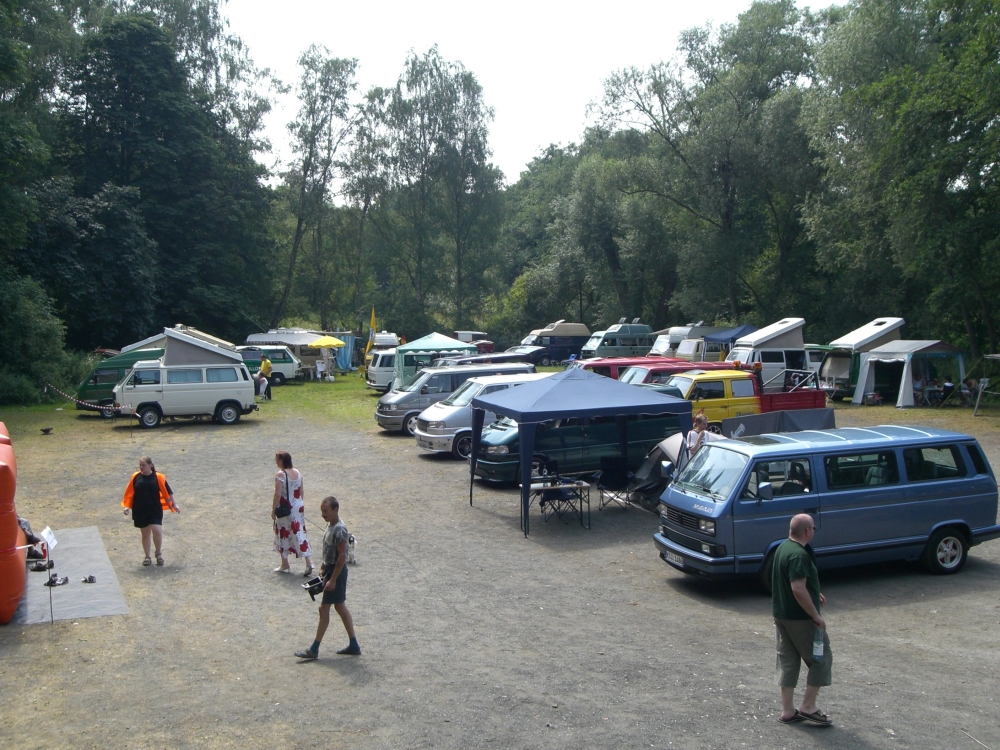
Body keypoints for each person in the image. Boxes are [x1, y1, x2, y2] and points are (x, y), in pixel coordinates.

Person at [772, 514, 832, 726]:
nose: (814, 530)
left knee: (788, 660)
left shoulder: (782, 548)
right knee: (821, 658)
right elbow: (797, 589)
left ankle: (788, 711)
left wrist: (814, 593)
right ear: (807, 531)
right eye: (813, 528)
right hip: (800, 619)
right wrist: (815, 615)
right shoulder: (799, 555)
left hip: (781, 614)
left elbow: (794, 582)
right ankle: (808, 706)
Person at [295, 496, 360, 659]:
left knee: (324, 609)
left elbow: (341, 556)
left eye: (326, 511)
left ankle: (314, 649)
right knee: (339, 606)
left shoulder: (340, 529)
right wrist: (323, 567)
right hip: (332, 571)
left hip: (336, 572)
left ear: (335, 510)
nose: (323, 514)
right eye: (322, 511)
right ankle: (354, 644)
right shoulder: (331, 525)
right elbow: (329, 550)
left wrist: (332, 580)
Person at [121, 456, 179, 566]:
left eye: (143, 465)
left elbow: (169, 492)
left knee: (157, 530)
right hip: (140, 510)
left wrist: (174, 505)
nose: (141, 467)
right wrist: (127, 507)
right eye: (140, 465)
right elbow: (130, 493)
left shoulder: (158, 477)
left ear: (150, 465)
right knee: (145, 533)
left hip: (155, 508)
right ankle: (147, 556)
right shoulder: (136, 477)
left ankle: (158, 553)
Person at [271, 451, 314, 575]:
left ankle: (285, 563)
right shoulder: (297, 472)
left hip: (285, 508)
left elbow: (277, 494)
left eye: (278, 460)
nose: (276, 462)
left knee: (283, 533)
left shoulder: (281, 474)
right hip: (298, 505)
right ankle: (308, 561)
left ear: (282, 461)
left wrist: (273, 510)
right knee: (300, 532)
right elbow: (301, 491)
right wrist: (298, 505)